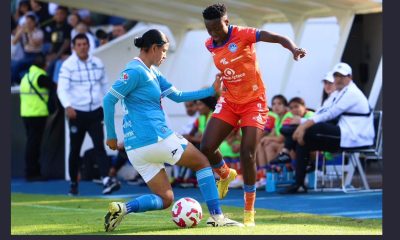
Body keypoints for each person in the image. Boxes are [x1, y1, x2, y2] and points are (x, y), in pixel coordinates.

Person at [102, 29, 244, 231]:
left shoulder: (152, 72)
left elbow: (177, 95)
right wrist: (111, 135)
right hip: (155, 137)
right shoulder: (135, 71)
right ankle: (217, 217)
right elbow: (108, 100)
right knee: (203, 163)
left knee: (166, 198)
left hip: (136, 149)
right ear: (154, 48)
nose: (165, 56)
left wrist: (211, 91)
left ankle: (123, 208)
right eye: (164, 50)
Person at [199, 3, 307, 226]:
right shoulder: (210, 44)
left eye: (217, 29)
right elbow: (226, 68)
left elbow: (276, 36)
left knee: (248, 153)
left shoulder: (243, 34)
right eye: (209, 30)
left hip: (253, 103)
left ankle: (249, 212)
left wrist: (294, 48)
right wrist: (219, 83)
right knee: (207, 147)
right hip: (229, 101)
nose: (214, 34)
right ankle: (225, 173)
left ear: (226, 22)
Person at [287, 62, 375, 193]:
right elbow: (322, 113)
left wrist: (303, 125)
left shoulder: (351, 92)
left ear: (350, 78)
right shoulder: (339, 92)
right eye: (336, 76)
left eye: (342, 76)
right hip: (345, 134)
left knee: (311, 130)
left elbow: (330, 114)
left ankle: (288, 153)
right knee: (298, 137)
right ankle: (299, 183)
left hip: (355, 137)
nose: (338, 79)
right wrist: (302, 124)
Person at [57, 33, 114, 196]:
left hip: (95, 111)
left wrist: (106, 104)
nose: (82, 47)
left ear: (89, 46)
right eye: (79, 44)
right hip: (77, 113)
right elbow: (61, 88)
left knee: (100, 147)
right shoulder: (68, 65)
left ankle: (106, 180)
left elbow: (104, 85)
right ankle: (74, 183)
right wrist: (67, 106)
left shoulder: (98, 63)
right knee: (75, 150)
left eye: (85, 44)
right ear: (74, 47)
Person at [19, 54, 55, 181]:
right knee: (34, 145)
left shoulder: (26, 76)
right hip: (37, 114)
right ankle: (32, 173)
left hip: (26, 114)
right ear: (44, 64)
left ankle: (31, 171)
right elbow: (54, 86)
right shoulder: (40, 76)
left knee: (31, 144)